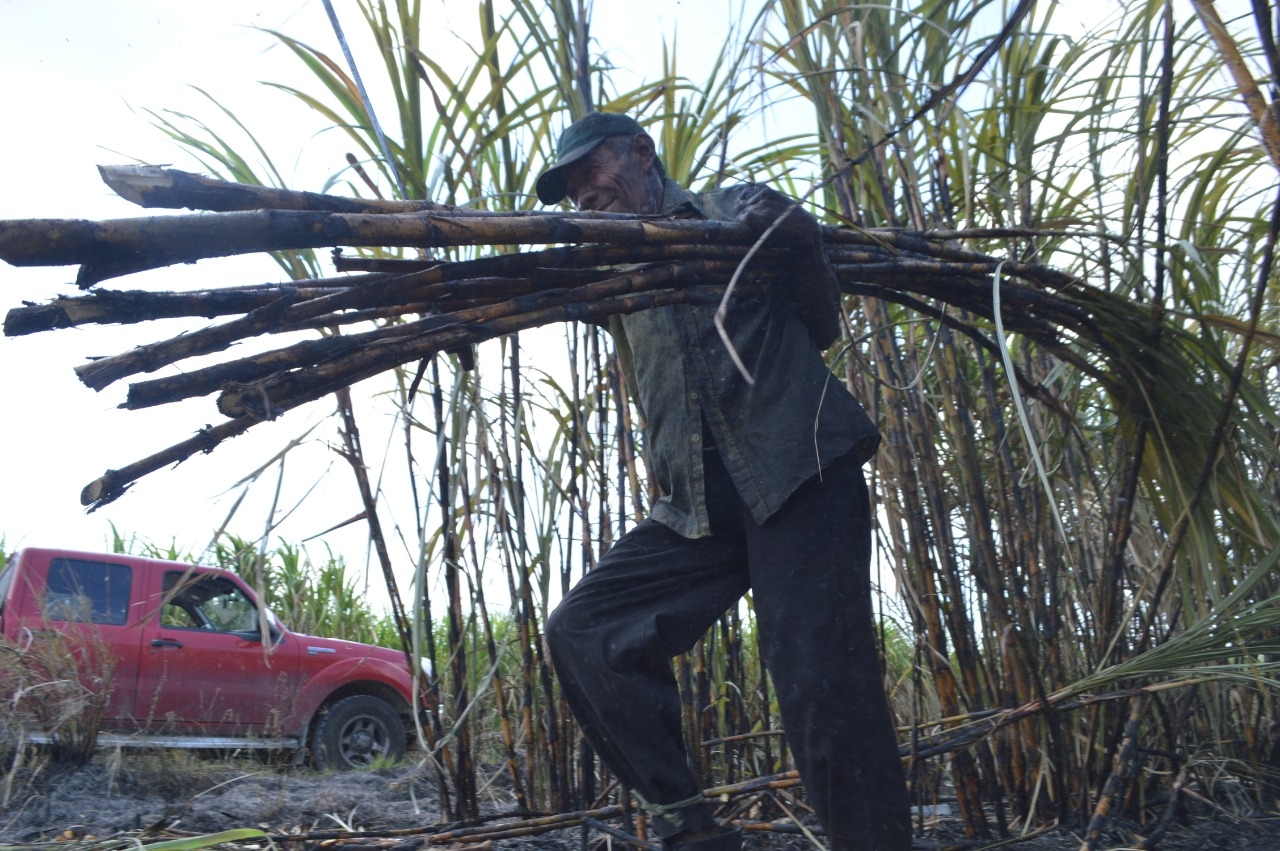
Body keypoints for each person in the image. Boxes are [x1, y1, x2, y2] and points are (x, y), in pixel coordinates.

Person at [538, 112, 911, 851]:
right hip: (694, 508)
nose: (583, 193)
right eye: (570, 188)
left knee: (820, 684)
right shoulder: (608, 265)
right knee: (585, 631)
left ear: (642, 154)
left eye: (592, 171)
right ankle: (691, 832)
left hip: (796, 473)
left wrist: (799, 240)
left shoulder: (733, 211)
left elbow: (820, 321)